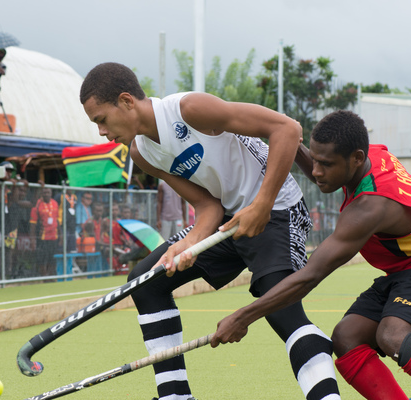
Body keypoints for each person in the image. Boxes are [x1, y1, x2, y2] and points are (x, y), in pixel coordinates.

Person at [80, 62, 340, 400]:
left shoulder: (188, 109)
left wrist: (261, 205)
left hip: (277, 209)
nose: (101, 132)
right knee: (146, 281)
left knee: (279, 307)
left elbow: (287, 129)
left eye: (101, 120)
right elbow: (208, 207)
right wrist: (187, 245)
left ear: (127, 101)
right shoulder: (142, 153)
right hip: (229, 219)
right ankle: (175, 396)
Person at [212, 111, 411, 400]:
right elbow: (329, 174)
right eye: (316, 160)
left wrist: (243, 317)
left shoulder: (372, 206)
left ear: (356, 158)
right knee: (347, 338)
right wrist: (288, 137)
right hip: (408, 269)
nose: (317, 171)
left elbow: (309, 277)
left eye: (326, 164)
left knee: (392, 335)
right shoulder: (369, 157)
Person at [29, 187, 59, 277]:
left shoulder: (55, 203)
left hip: (54, 236)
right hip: (42, 237)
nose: (46, 194)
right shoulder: (37, 205)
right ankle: (44, 276)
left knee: (52, 257)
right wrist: (32, 240)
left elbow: (57, 220)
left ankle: (52, 275)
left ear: (51, 193)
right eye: (44, 193)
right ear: (41, 194)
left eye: (48, 192)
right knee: (42, 258)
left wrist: (61, 235)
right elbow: (33, 224)